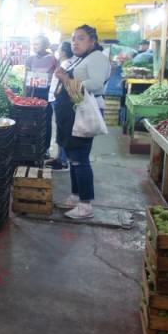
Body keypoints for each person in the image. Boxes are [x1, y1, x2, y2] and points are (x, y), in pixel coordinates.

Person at [52, 25, 111, 219]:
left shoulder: (97, 58)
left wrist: (68, 81)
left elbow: (96, 83)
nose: (75, 42)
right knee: (72, 158)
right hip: (72, 113)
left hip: (84, 113)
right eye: (74, 38)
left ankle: (85, 205)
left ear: (92, 40)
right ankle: (75, 197)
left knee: (80, 159)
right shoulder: (82, 58)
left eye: (81, 38)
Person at [24, 35, 57, 149]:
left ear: (44, 45)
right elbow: (26, 76)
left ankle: (45, 147)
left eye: (37, 44)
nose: (34, 47)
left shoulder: (52, 58)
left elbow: (56, 75)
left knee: (46, 120)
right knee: (31, 120)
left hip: (46, 92)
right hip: (32, 92)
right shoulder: (30, 59)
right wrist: (25, 94)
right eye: (33, 44)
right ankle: (31, 145)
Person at [46, 41, 74, 171]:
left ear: (62, 52)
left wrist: (56, 98)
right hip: (56, 99)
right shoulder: (65, 63)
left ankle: (63, 161)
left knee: (61, 129)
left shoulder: (66, 64)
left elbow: (63, 84)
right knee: (60, 128)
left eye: (59, 50)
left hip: (58, 100)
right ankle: (59, 158)